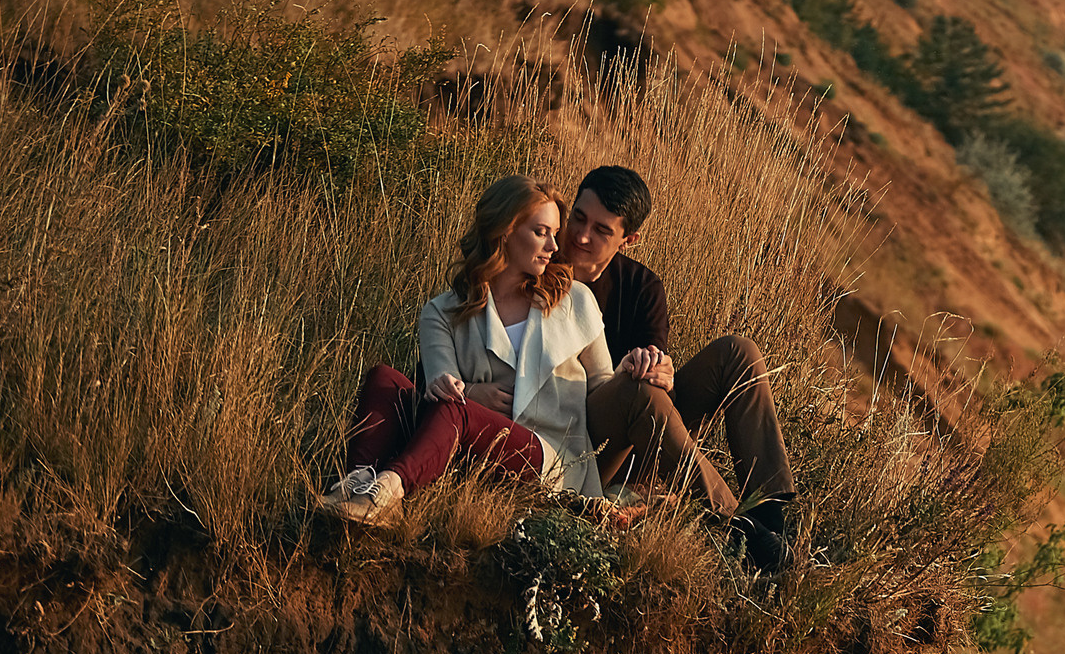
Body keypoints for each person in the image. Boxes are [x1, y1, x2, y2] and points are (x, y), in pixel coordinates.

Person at [320, 175, 613, 525]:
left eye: (554, 232)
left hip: (546, 457)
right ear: (505, 231)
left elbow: (604, 387)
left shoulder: (574, 301)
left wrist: (636, 370)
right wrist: (469, 392)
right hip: (469, 450)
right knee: (385, 378)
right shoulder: (442, 312)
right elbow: (443, 382)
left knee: (458, 411)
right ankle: (356, 485)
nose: (554, 246)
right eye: (541, 232)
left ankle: (389, 492)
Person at [556, 164, 796, 569]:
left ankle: (772, 515)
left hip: (643, 438)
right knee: (635, 389)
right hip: (580, 443)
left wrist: (660, 370)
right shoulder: (541, 269)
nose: (581, 236)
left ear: (628, 240)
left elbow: (657, 368)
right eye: (578, 218)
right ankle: (738, 527)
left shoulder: (641, 286)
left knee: (738, 353)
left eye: (601, 230)